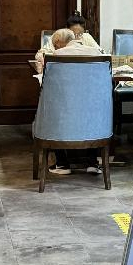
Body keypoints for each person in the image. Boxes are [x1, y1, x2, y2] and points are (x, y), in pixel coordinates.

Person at [36, 28, 105, 177]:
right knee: (90, 115)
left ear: (59, 43)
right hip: (92, 111)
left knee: (52, 115)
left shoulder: (56, 56)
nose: (55, 47)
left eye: (55, 44)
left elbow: (49, 81)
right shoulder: (95, 53)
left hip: (65, 112)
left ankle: (62, 163)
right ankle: (92, 163)